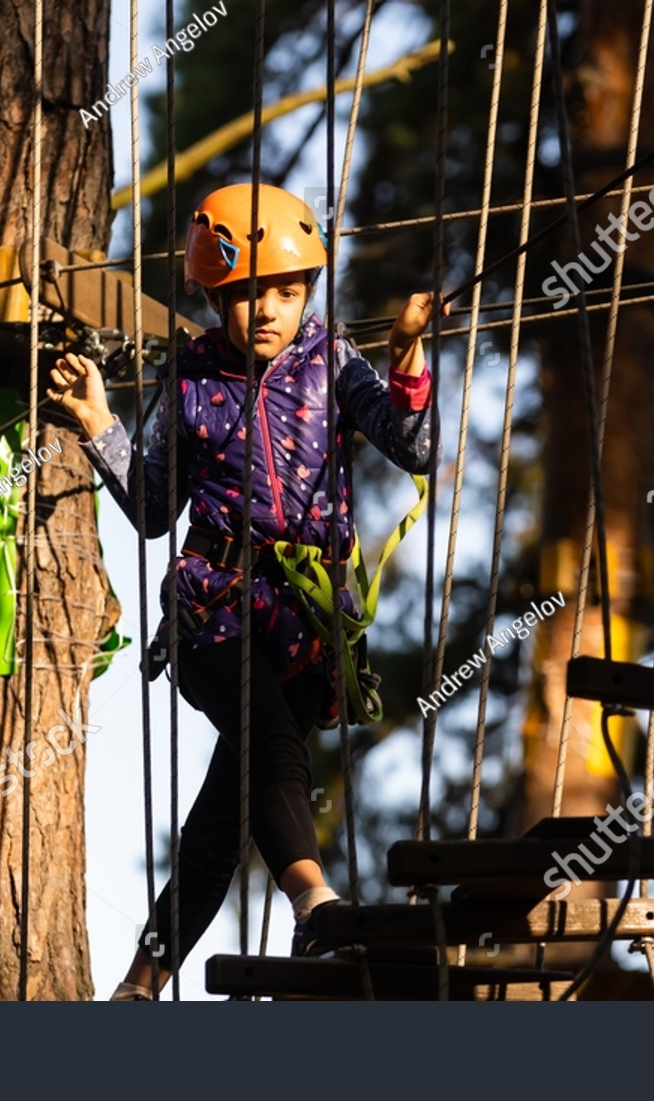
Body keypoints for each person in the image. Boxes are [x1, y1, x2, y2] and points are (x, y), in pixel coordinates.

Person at [47, 183, 440, 1001]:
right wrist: (96, 421)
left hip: (304, 623)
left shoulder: (333, 363)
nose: (268, 309)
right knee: (266, 739)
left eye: (287, 291)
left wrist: (406, 355)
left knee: (224, 818)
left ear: (307, 295)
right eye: (248, 293)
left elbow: (414, 446)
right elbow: (155, 507)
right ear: (216, 295)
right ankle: (313, 900)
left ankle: (142, 980)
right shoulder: (191, 377)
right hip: (211, 612)